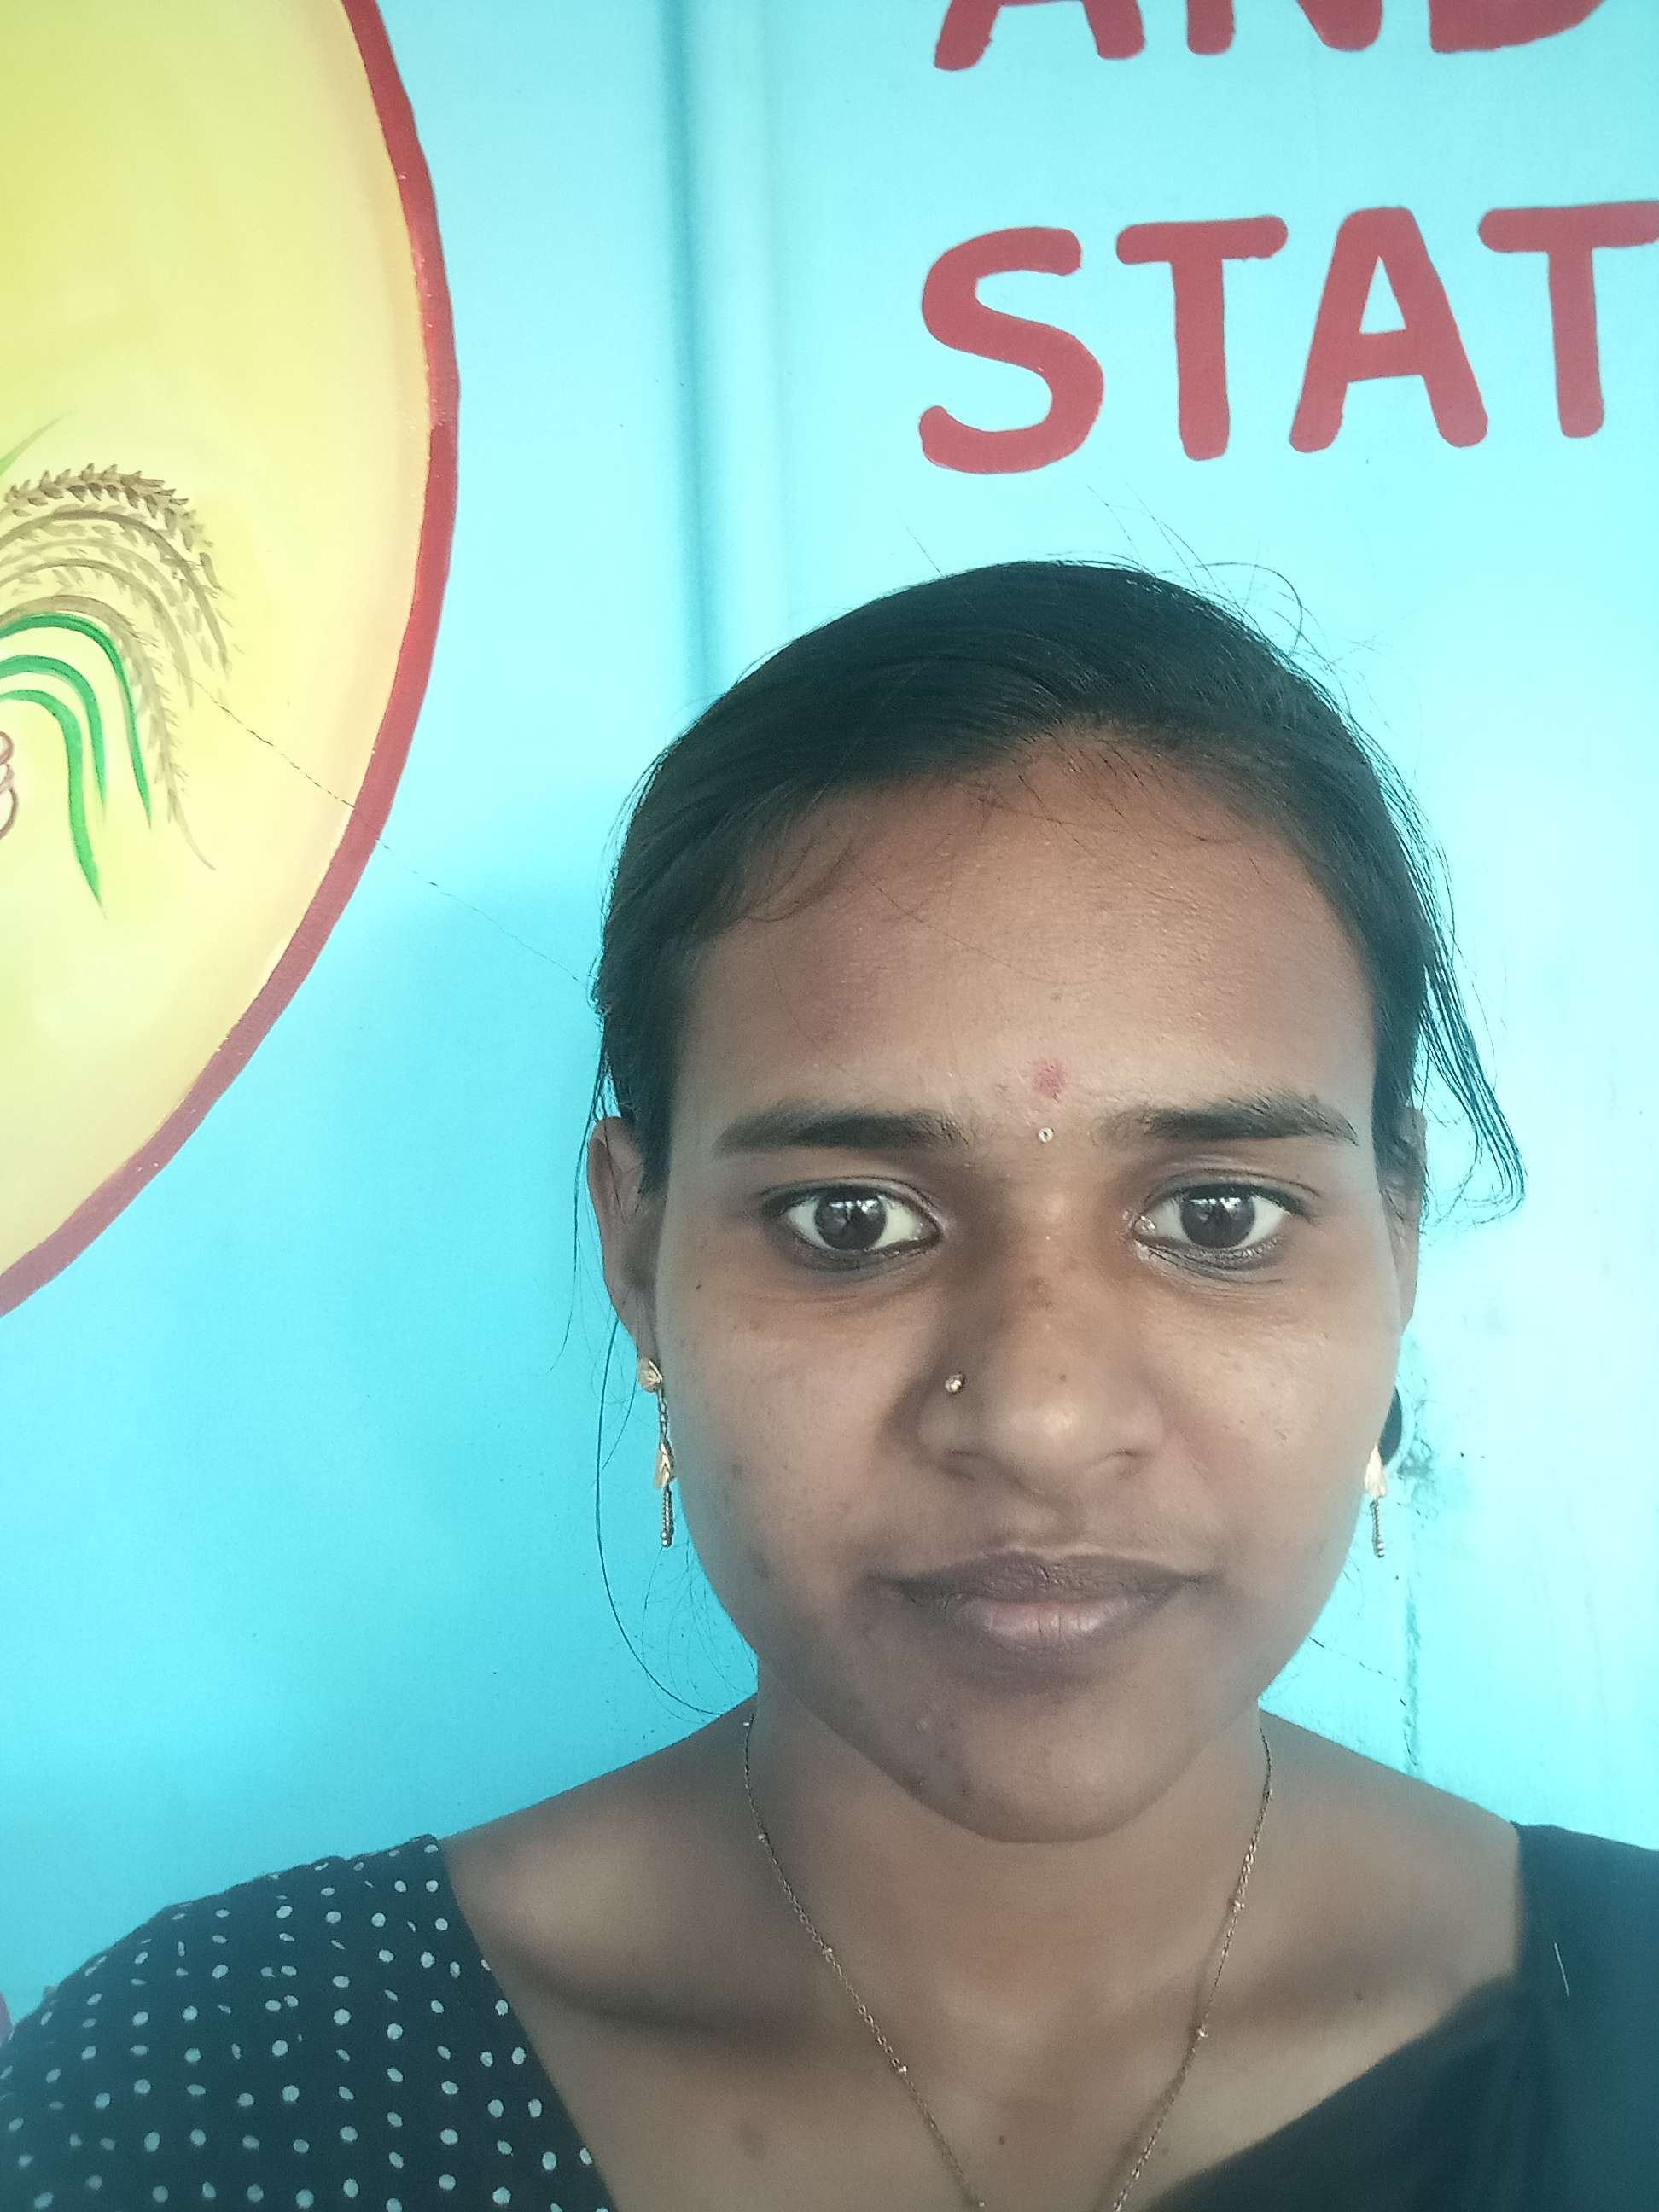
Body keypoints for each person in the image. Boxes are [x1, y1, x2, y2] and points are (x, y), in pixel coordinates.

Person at [3, 561, 1655, 2212]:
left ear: (1396, 1235)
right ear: (639, 1252)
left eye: (1217, 1216)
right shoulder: (216, 2099)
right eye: (848, 1220)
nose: (1040, 1421)